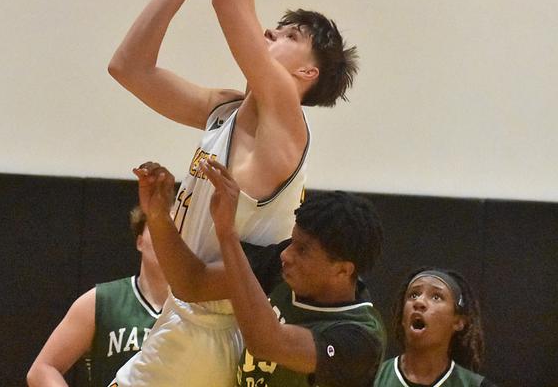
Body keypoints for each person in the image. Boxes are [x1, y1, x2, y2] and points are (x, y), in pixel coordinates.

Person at [107, 0, 358, 387]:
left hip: (209, 330)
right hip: (189, 320)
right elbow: (129, 68)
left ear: (308, 72)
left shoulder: (285, 123)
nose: (269, 33)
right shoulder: (227, 110)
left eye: (289, 37)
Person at [131, 158, 386, 387]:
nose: (287, 255)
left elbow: (267, 343)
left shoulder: (360, 338)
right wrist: (158, 216)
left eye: (303, 250)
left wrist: (227, 233)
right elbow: (192, 284)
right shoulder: (283, 265)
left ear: (342, 270)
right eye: (292, 242)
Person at [27, 207, 167, 387]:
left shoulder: (197, 308)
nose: (166, 238)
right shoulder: (101, 301)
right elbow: (42, 369)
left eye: (176, 232)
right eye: (158, 228)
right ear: (140, 241)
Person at [374, 268, 497, 387]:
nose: (419, 302)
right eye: (413, 295)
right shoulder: (370, 379)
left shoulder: (475, 384)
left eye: (436, 297)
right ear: (402, 318)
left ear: (458, 322)